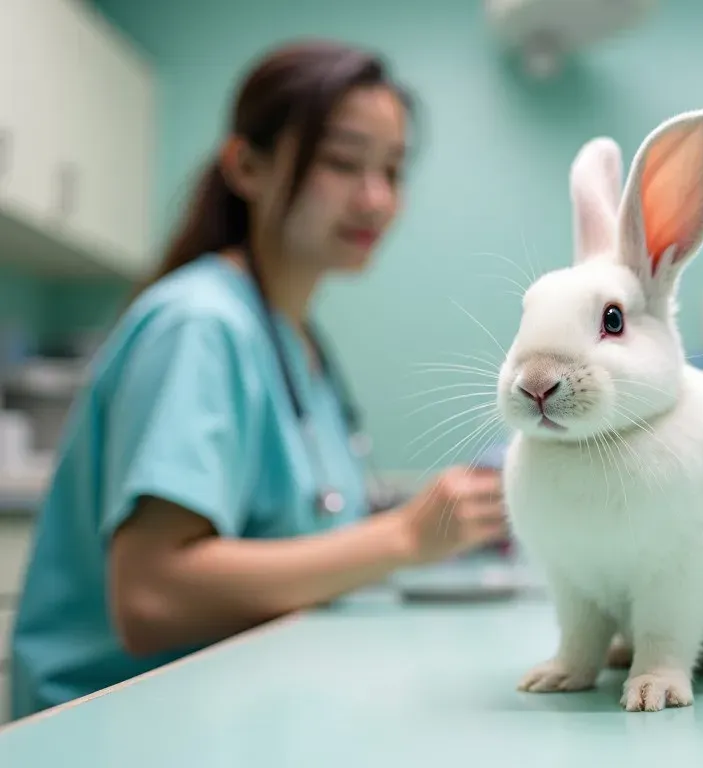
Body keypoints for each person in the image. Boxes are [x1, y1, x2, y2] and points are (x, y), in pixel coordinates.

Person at [7, 39, 507, 720]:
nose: (376, 198)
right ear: (247, 165)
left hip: (233, 702)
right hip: (116, 724)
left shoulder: (298, 343)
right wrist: (403, 540)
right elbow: (151, 596)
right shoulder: (200, 326)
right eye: (342, 163)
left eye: (392, 169)